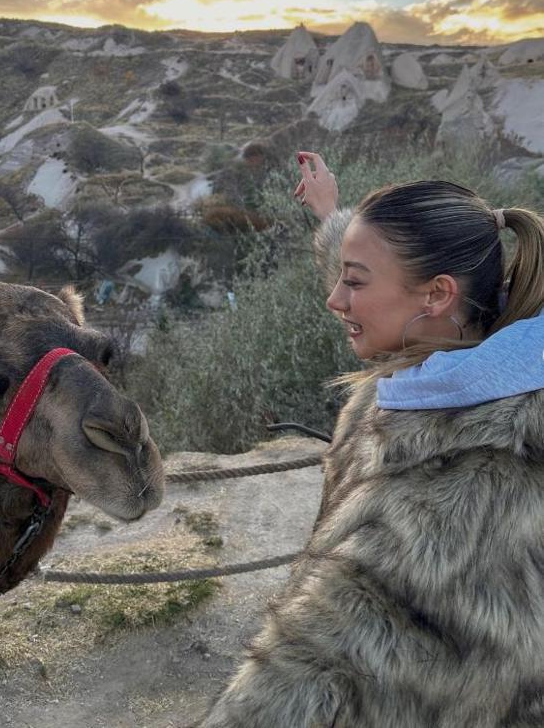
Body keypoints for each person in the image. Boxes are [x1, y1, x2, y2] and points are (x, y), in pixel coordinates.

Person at [203, 152, 544, 727]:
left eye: (354, 282)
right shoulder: (487, 347)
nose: (335, 300)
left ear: (437, 294)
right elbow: (392, 289)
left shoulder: (463, 484)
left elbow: (311, 667)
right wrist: (332, 216)